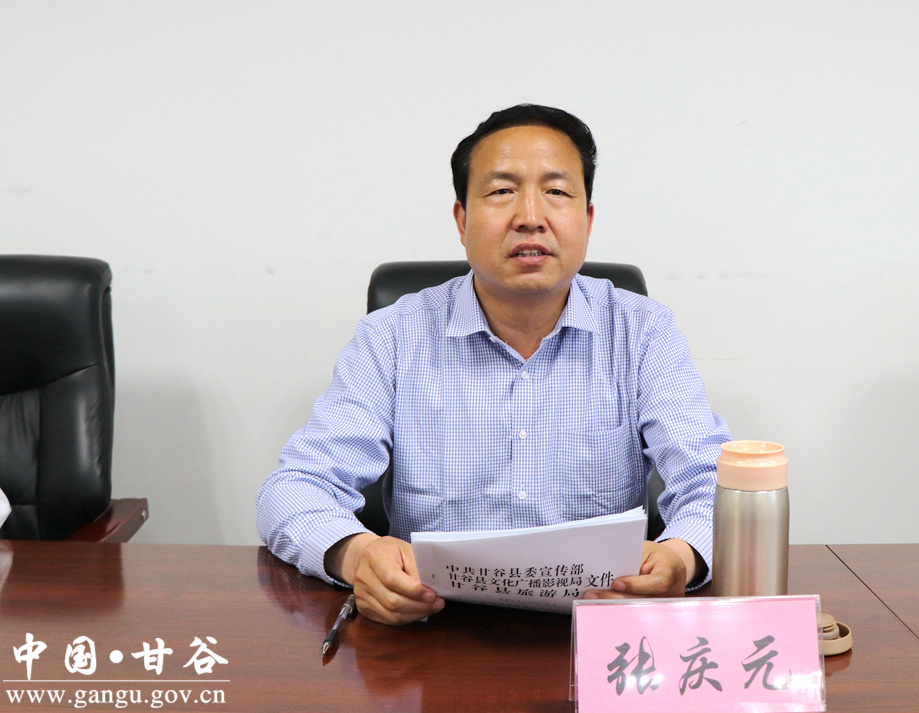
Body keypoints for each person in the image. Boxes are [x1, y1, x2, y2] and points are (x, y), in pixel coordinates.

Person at [256, 104, 730, 625]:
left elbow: (714, 484)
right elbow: (295, 488)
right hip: (430, 631)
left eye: (556, 192)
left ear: (588, 219)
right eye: (503, 190)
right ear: (462, 220)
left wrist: (681, 557)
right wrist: (356, 555)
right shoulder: (392, 337)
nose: (530, 216)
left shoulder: (643, 333)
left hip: (600, 629)